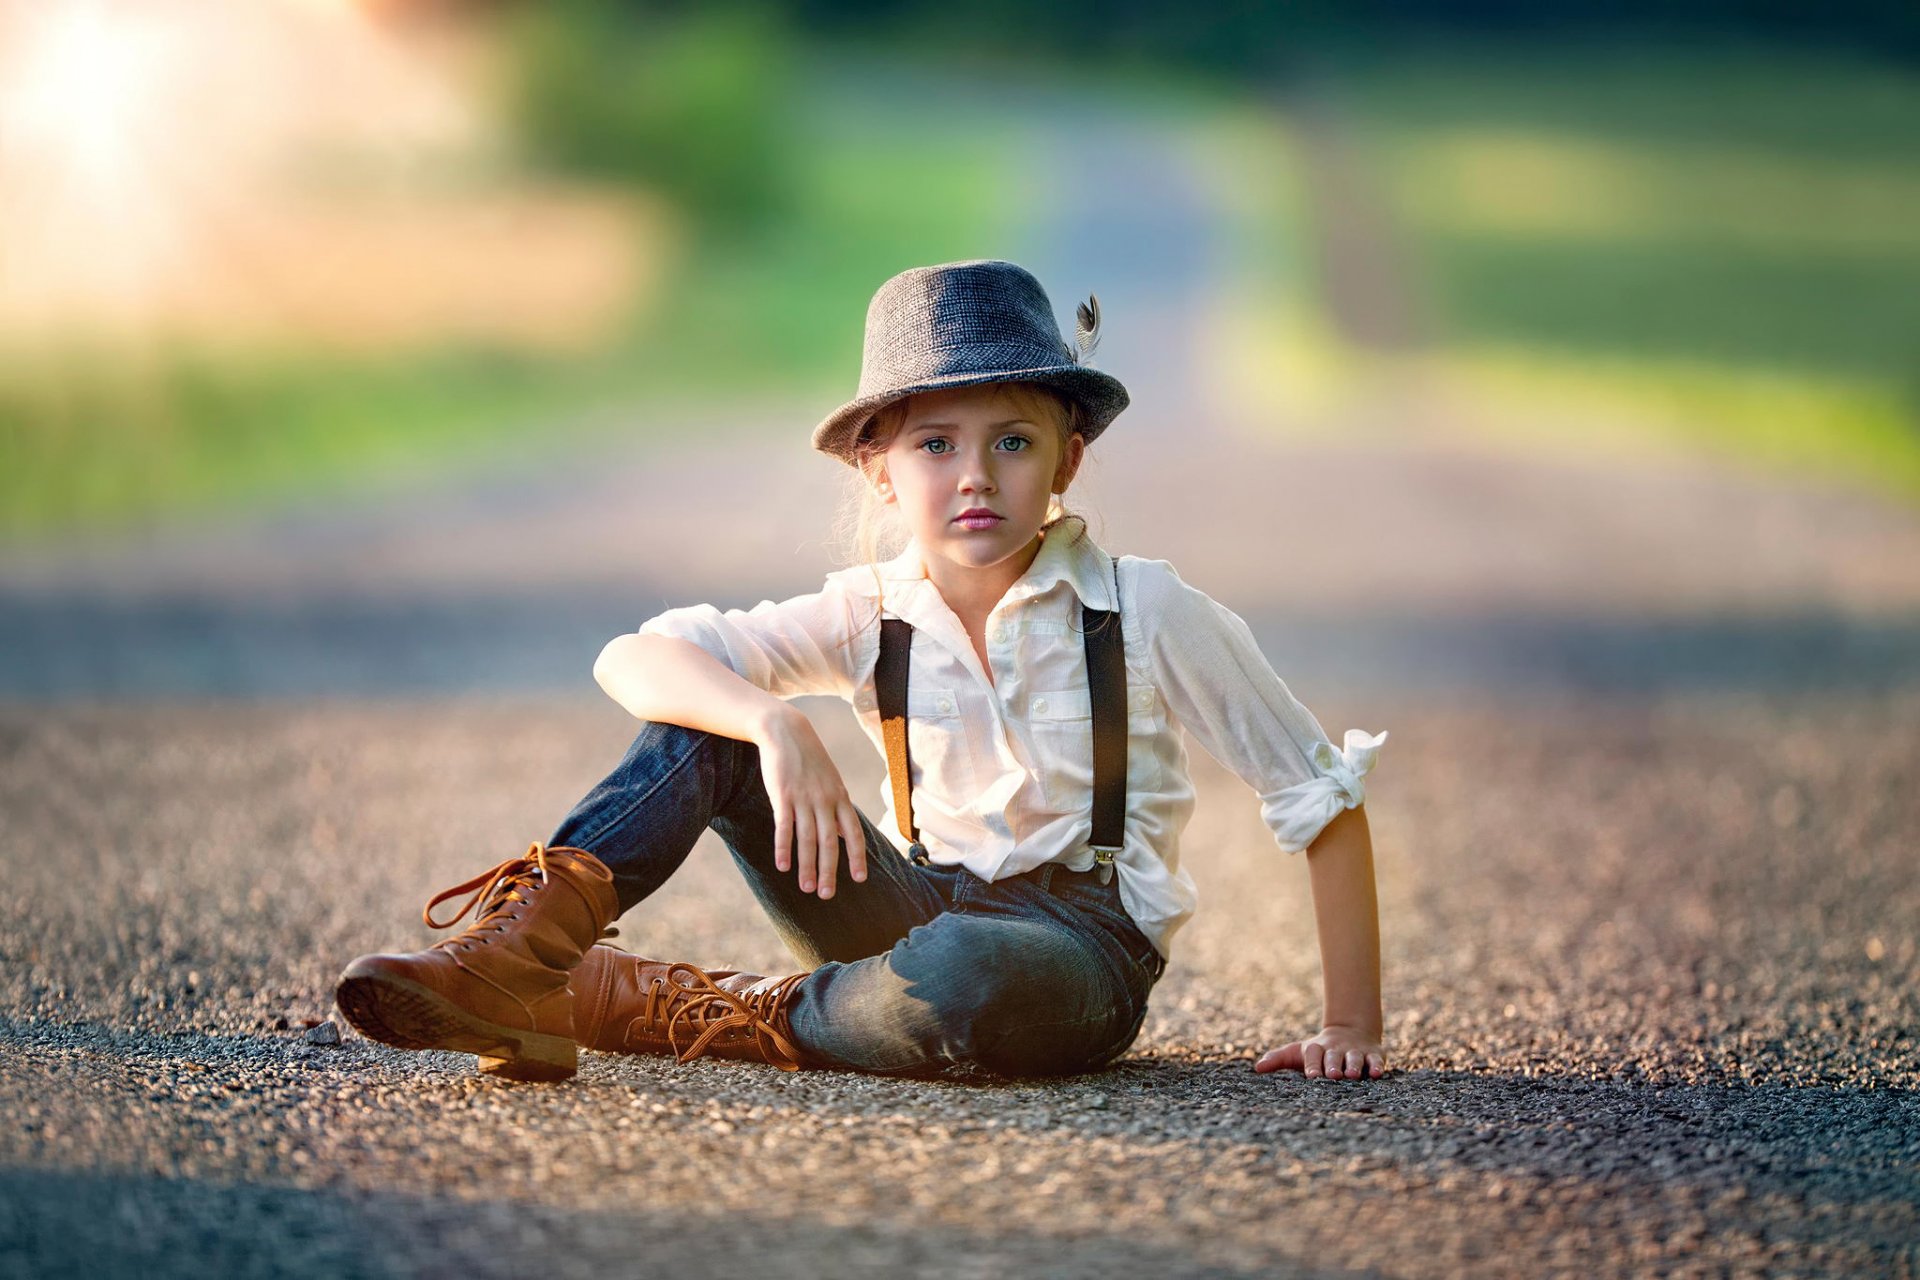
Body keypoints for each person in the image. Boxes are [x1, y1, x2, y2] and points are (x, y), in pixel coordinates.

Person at [334, 259, 1390, 1085]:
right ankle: (516, 961)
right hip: (908, 902)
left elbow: (1315, 792)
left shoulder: (1145, 608)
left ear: (1066, 459)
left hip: (1077, 952)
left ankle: (675, 1007)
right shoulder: (869, 612)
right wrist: (773, 722)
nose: (975, 474)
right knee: (710, 725)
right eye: (935, 443)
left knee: (968, 973)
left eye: (1013, 442)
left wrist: (1349, 1024)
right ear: (880, 470)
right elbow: (634, 656)